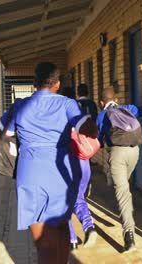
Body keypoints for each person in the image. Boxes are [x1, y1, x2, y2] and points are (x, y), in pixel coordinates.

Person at [11, 62, 97, 263]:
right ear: (57, 84)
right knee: (61, 229)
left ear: (34, 82)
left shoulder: (20, 105)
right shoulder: (67, 104)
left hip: (31, 176)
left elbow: (4, 132)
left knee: (44, 243)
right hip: (62, 175)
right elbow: (88, 127)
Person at [96, 87, 142, 252]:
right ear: (115, 100)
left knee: (123, 193)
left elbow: (99, 139)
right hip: (135, 152)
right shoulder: (127, 108)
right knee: (124, 186)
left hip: (116, 154)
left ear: (101, 103)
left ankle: (129, 235)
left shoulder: (102, 115)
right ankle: (116, 181)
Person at [61, 86, 98, 250]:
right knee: (79, 198)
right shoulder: (81, 114)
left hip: (67, 162)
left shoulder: (60, 114)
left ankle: (72, 239)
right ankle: (89, 227)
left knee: (65, 201)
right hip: (84, 162)